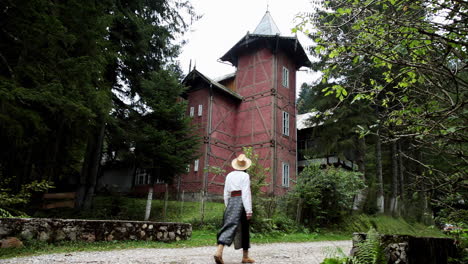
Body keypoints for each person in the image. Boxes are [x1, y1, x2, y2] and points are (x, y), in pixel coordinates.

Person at [214, 153, 255, 264]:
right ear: (245, 166)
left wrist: (228, 205)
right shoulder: (245, 176)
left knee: (228, 225)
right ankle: (243, 256)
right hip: (241, 202)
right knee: (244, 227)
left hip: (231, 201)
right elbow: (246, 193)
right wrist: (249, 210)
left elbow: (226, 192)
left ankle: (220, 251)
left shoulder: (229, 175)